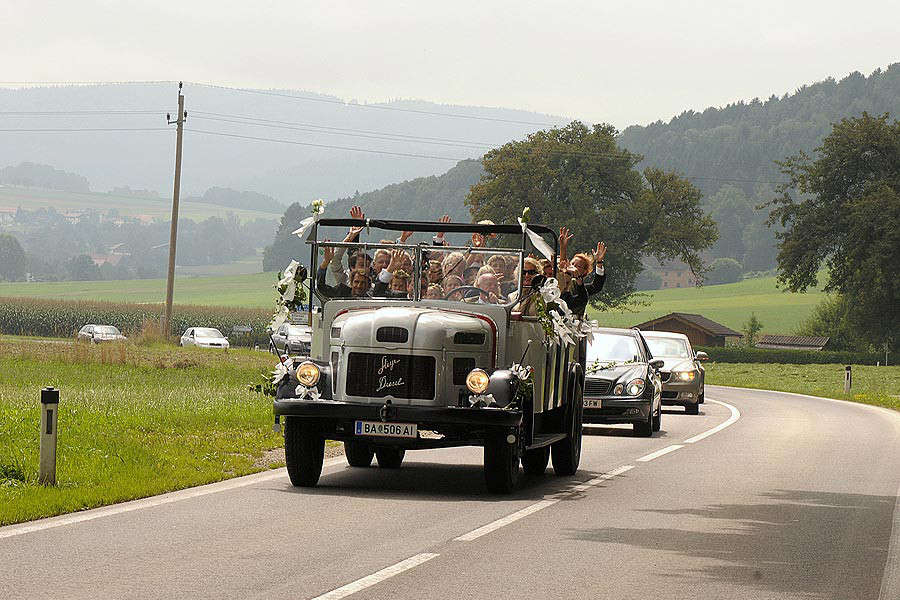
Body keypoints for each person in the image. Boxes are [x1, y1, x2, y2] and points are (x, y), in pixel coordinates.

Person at [558, 226, 607, 317]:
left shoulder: (581, 288)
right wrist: (563, 247)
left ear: (584, 272)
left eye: (578, 266)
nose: (573, 267)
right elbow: (562, 268)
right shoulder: (557, 282)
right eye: (572, 264)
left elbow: (596, 286)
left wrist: (599, 262)